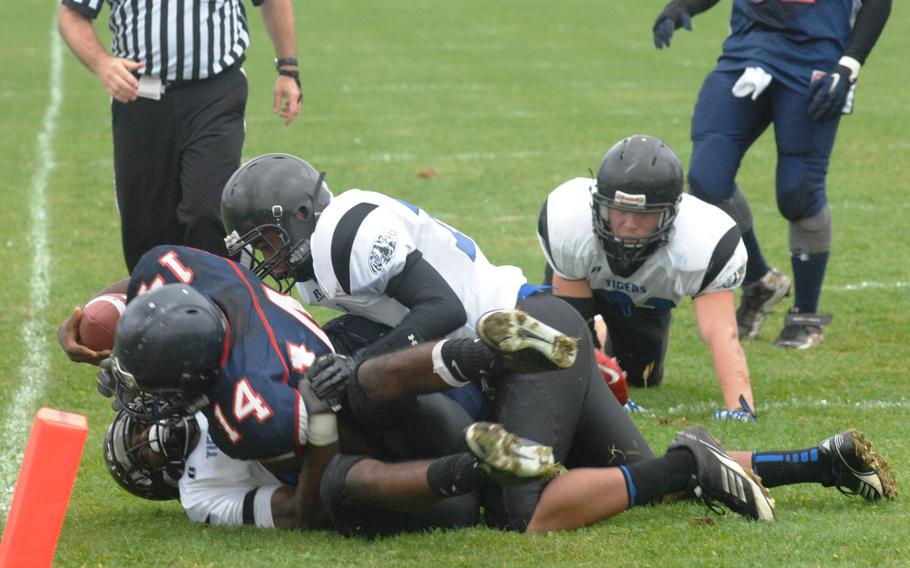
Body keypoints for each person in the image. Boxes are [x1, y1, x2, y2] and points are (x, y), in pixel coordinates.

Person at [651, 0, 892, 348]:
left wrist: (850, 62)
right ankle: (760, 281)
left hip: (816, 56)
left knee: (798, 190)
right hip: (748, 51)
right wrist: (678, 8)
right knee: (707, 179)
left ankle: (806, 314)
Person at [58, 0, 302, 273]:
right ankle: (160, 307)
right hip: (139, 95)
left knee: (209, 212)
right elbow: (72, 14)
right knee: (146, 228)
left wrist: (288, 69)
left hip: (215, 91)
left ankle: (224, 304)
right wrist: (102, 63)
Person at [538, 135, 756, 419]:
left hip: (646, 299)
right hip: (585, 286)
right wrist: (604, 392)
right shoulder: (569, 221)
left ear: (670, 212)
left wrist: (740, 407)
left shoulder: (706, 240)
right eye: (619, 211)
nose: (629, 224)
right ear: (599, 204)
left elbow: (721, 333)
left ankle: (608, 331)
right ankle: (600, 337)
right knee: (559, 358)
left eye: (643, 215)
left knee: (641, 375)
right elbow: (574, 322)